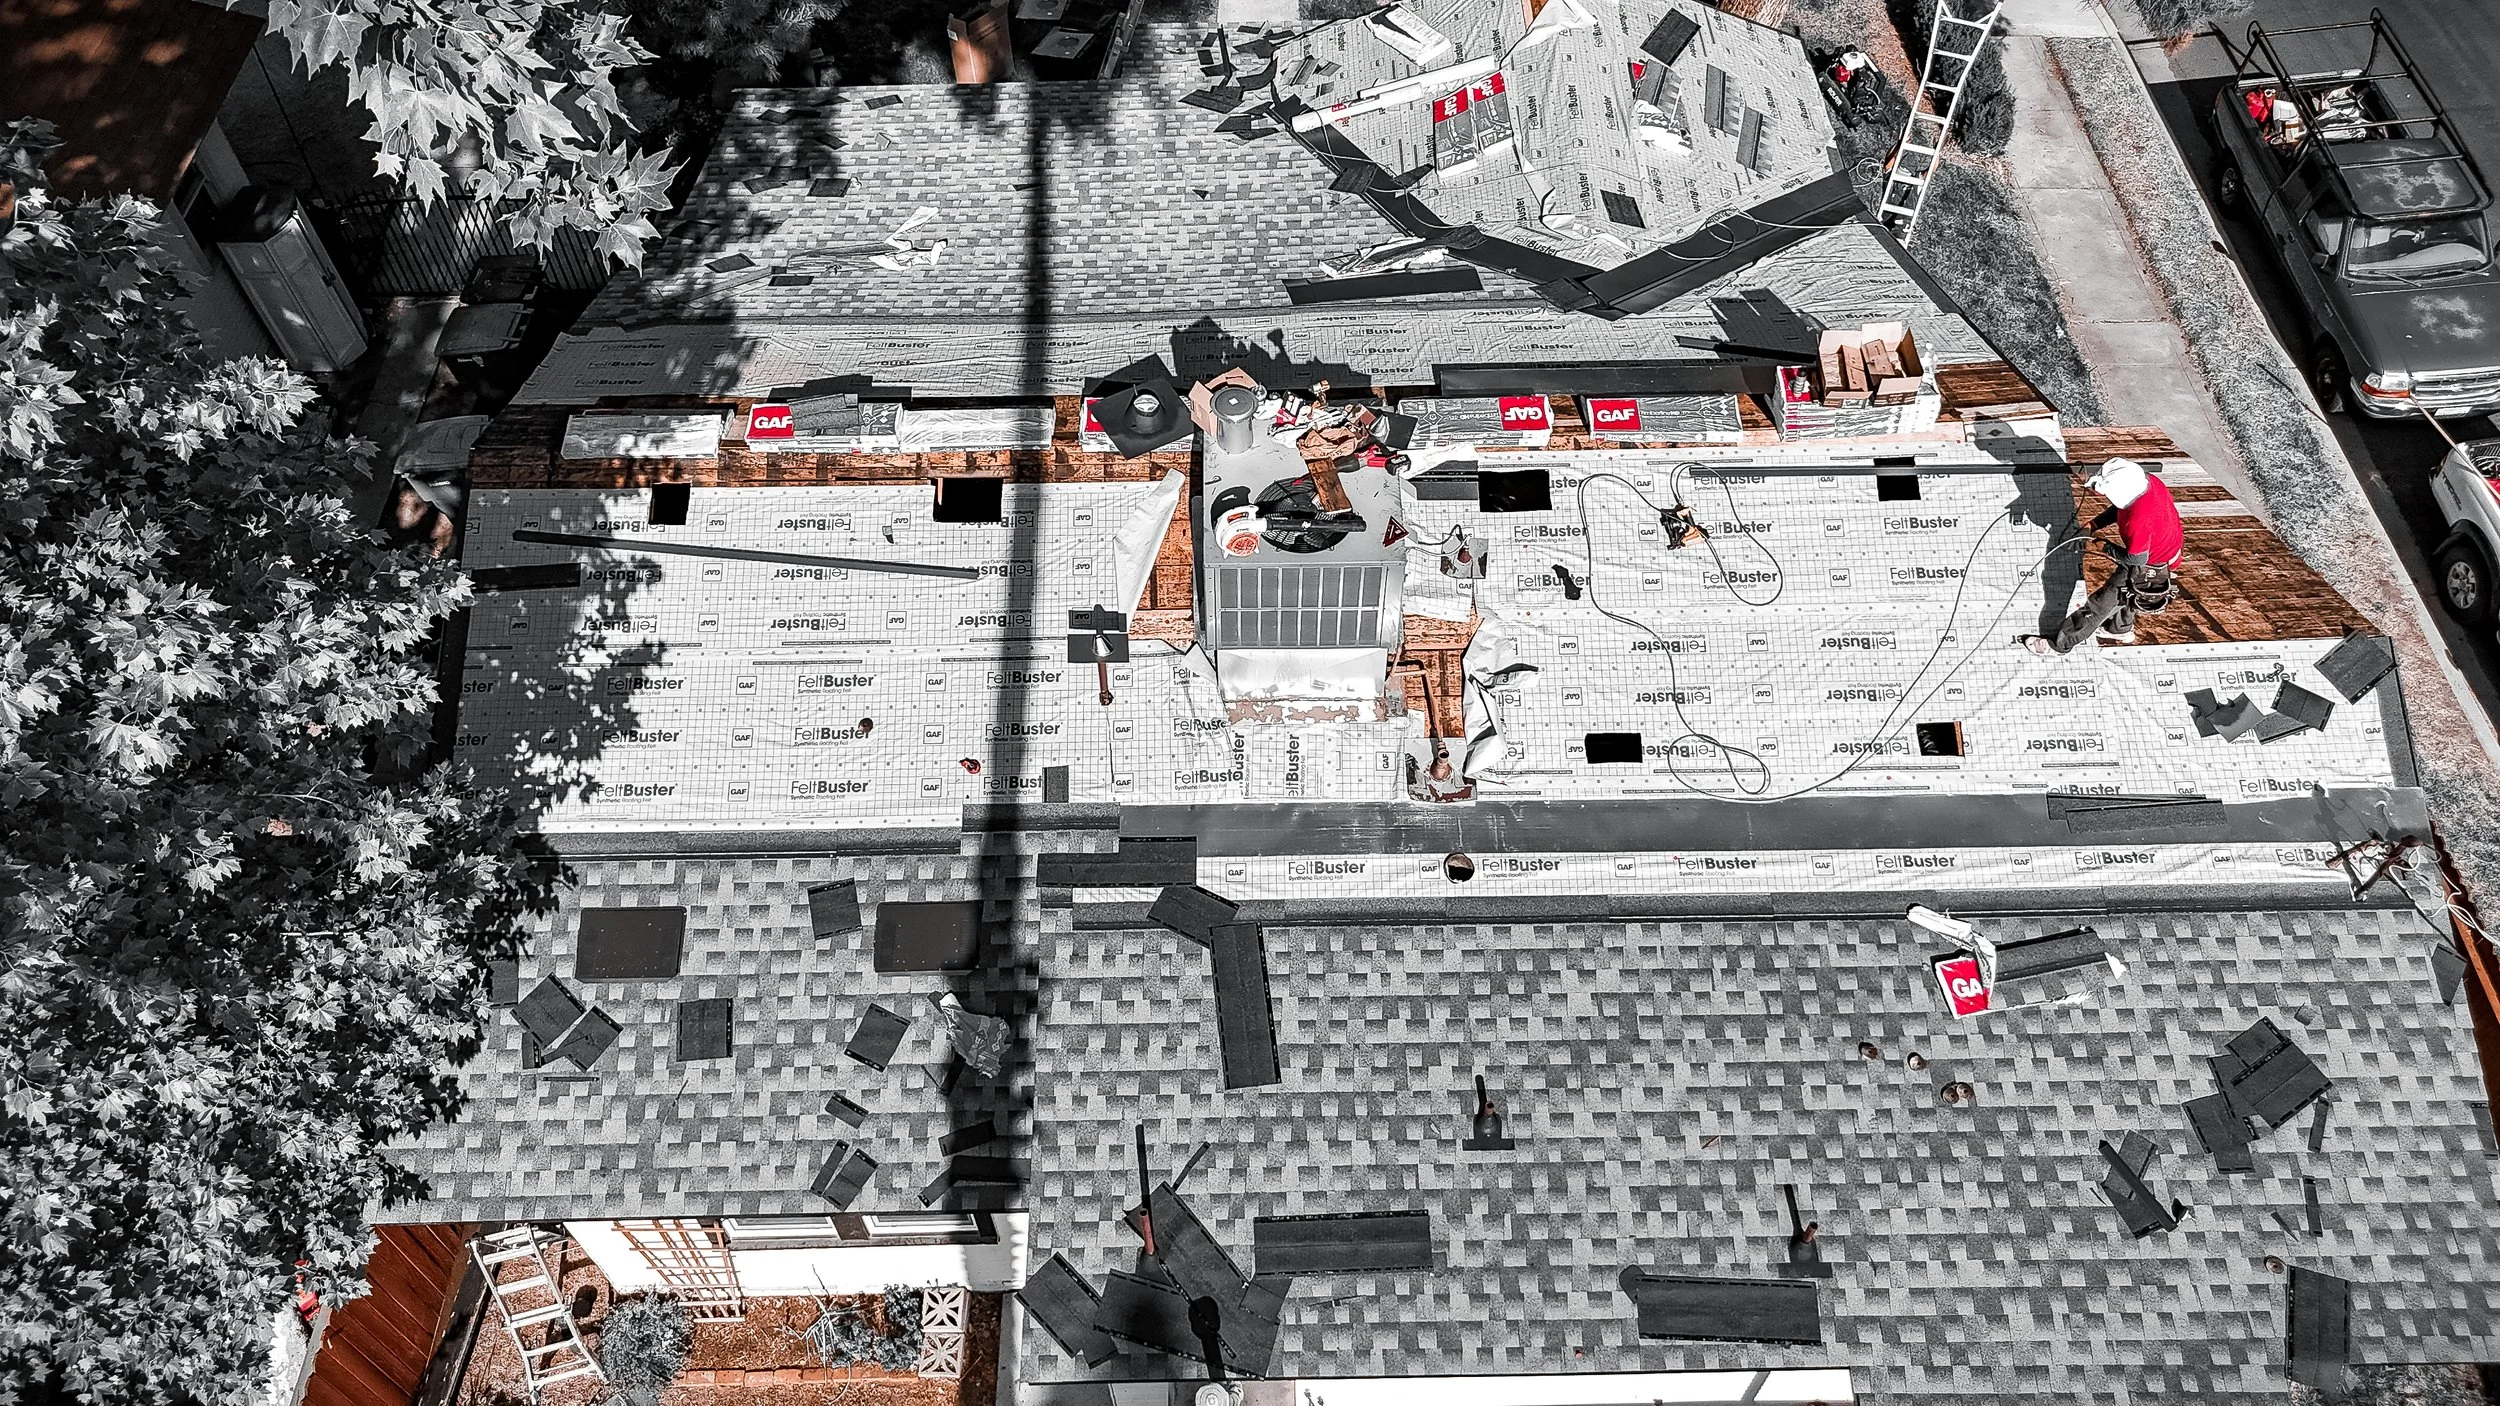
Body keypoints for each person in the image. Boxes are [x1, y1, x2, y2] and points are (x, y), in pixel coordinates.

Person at [2024, 457, 2183, 655]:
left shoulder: (2139, 519)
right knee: (2130, 591)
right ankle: (2119, 629)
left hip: (2150, 564)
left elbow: (2137, 560)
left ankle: (2058, 645)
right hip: (2166, 549)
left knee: (2100, 605)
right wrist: (2092, 525)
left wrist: (2103, 546)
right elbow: (2120, 508)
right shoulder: (2148, 483)